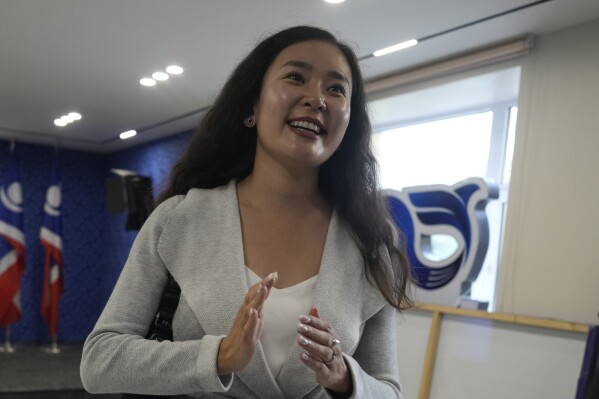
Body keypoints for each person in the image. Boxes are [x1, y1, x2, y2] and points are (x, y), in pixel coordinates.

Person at [80, 25, 413, 398]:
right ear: (252, 105)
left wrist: (344, 377)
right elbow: (100, 361)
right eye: (295, 77)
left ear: (348, 122)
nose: (317, 98)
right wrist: (218, 357)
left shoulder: (371, 241)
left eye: (336, 89)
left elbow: (389, 392)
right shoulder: (178, 220)